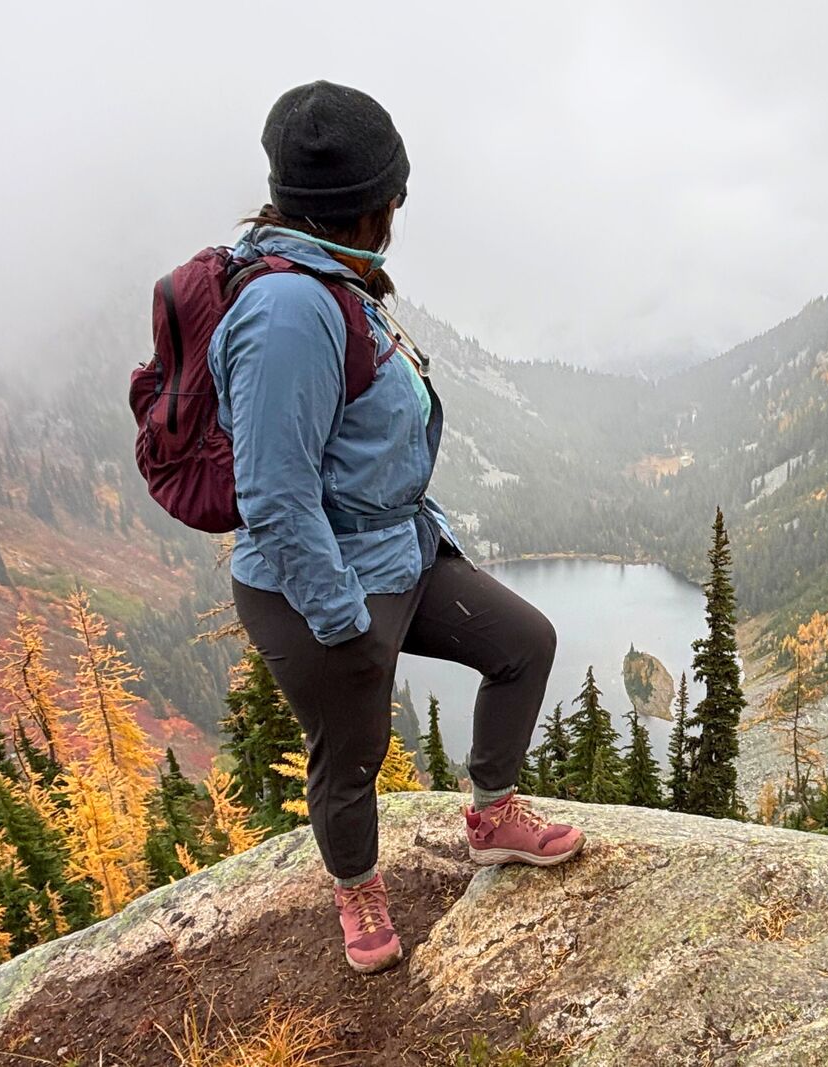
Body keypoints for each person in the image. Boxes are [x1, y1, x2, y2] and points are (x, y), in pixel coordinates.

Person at [213, 80, 584, 976]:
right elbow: (274, 494)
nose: (397, 214)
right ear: (367, 206)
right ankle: (357, 889)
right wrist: (342, 622)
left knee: (523, 641)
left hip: (395, 549)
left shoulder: (331, 274)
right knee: (353, 749)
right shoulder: (289, 310)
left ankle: (492, 817)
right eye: (395, 198)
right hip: (318, 579)